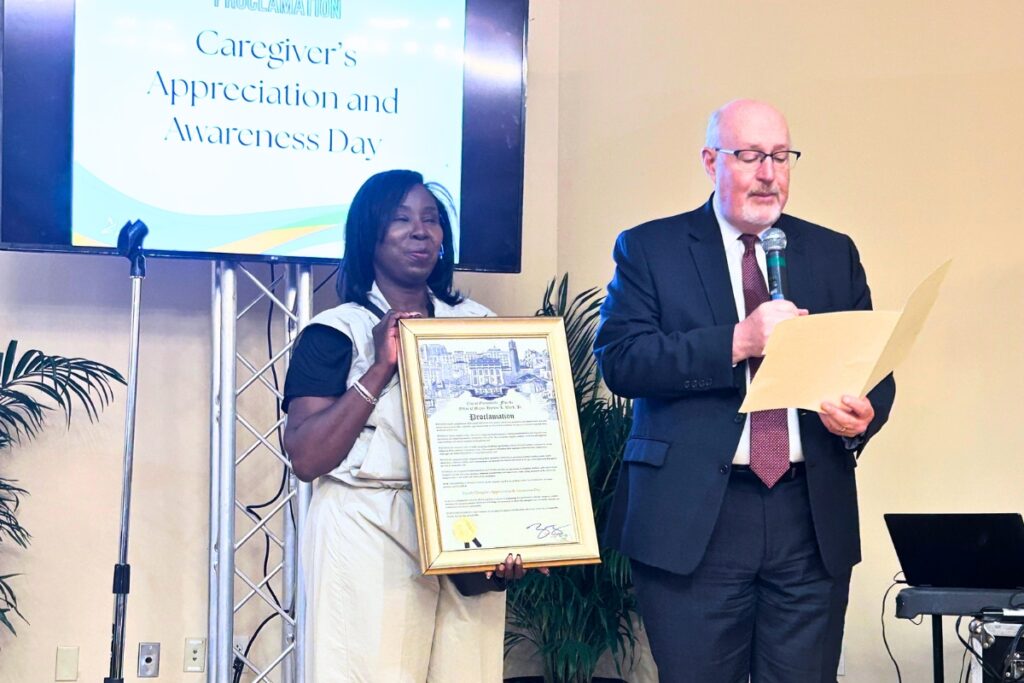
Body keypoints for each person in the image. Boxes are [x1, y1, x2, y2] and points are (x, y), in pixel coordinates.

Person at [593, 100, 897, 683]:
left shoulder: (833, 251)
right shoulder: (650, 248)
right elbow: (621, 361)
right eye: (751, 156)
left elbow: (873, 368)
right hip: (694, 520)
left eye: (781, 157)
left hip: (808, 517)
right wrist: (736, 341)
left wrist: (865, 413)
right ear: (711, 161)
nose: (769, 173)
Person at [283, 169, 523, 682]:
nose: (421, 231)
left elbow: (507, 439)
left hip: (465, 531)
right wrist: (380, 365)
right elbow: (306, 457)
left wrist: (515, 529)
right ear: (369, 234)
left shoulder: (482, 326)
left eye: (432, 220)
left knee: (469, 671)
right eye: (401, 219)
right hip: (366, 523)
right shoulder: (334, 331)